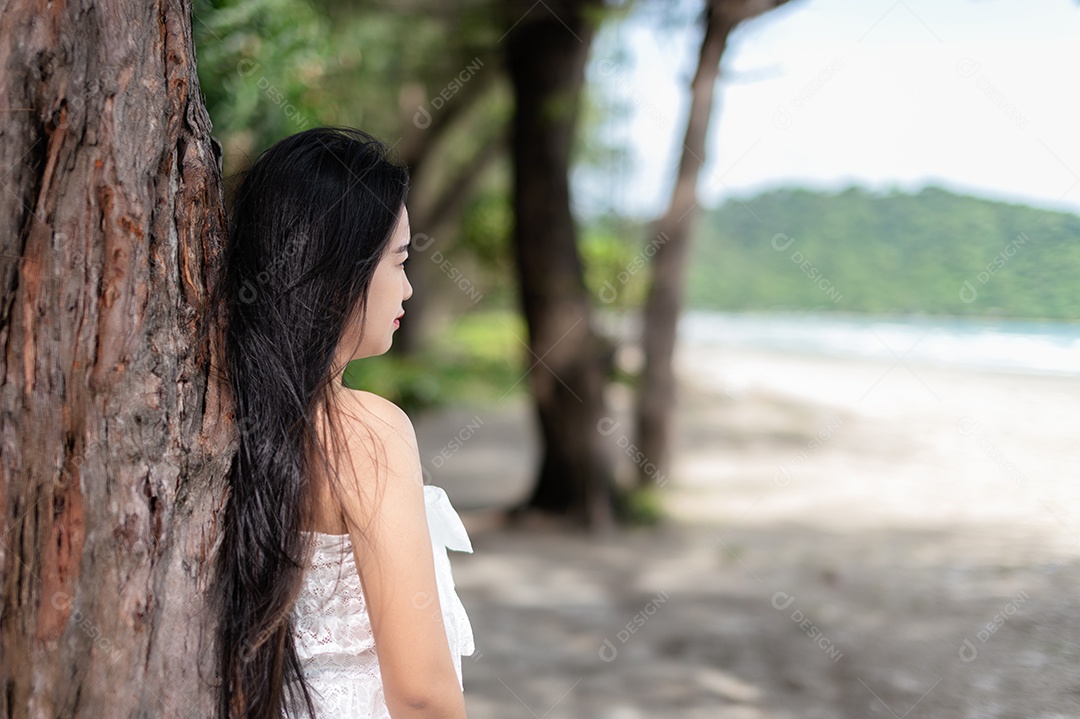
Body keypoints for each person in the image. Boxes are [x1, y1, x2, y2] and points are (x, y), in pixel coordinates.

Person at [204, 126, 475, 719]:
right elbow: (421, 691)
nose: (406, 288)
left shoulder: (222, 411)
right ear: (339, 268)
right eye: (399, 261)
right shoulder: (366, 430)